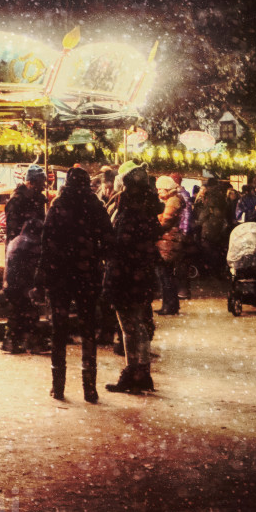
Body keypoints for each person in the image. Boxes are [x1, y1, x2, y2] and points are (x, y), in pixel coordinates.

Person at [41, 166, 113, 402]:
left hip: (60, 275)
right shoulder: (96, 207)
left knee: (59, 330)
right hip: (87, 275)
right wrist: (94, 256)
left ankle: (58, 386)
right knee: (88, 329)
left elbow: (46, 243)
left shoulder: (58, 206)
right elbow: (109, 242)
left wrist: (43, 277)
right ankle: (89, 388)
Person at [102, 163, 162, 394]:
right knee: (139, 325)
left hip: (125, 276)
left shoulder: (128, 211)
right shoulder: (147, 209)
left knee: (128, 326)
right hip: (142, 274)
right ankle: (142, 372)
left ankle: (132, 371)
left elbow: (120, 245)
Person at [2, 220, 43, 354]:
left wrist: (6, 282)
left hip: (12, 284)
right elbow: (33, 268)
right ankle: (33, 343)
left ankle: (11, 343)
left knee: (15, 314)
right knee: (31, 314)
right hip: (24, 285)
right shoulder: (33, 243)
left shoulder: (15, 241)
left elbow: (8, 264)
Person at [154, 175, 186, 316]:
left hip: (168, 242)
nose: (159, 192)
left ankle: (169, 305)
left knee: (165, 275)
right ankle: (171, 305)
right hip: (170, 241)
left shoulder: (172, 201)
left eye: (160, 189)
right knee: (167, 275)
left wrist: (156, 220)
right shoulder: (173, 200)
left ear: (167, 189)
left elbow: (166, 221)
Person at [4, 165, 47, 248]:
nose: (43, 187)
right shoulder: (16, 202)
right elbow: (12, 233)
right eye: (41, 183)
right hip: (21, 251)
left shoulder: (38, 200)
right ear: (31, 183)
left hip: (33, 250)